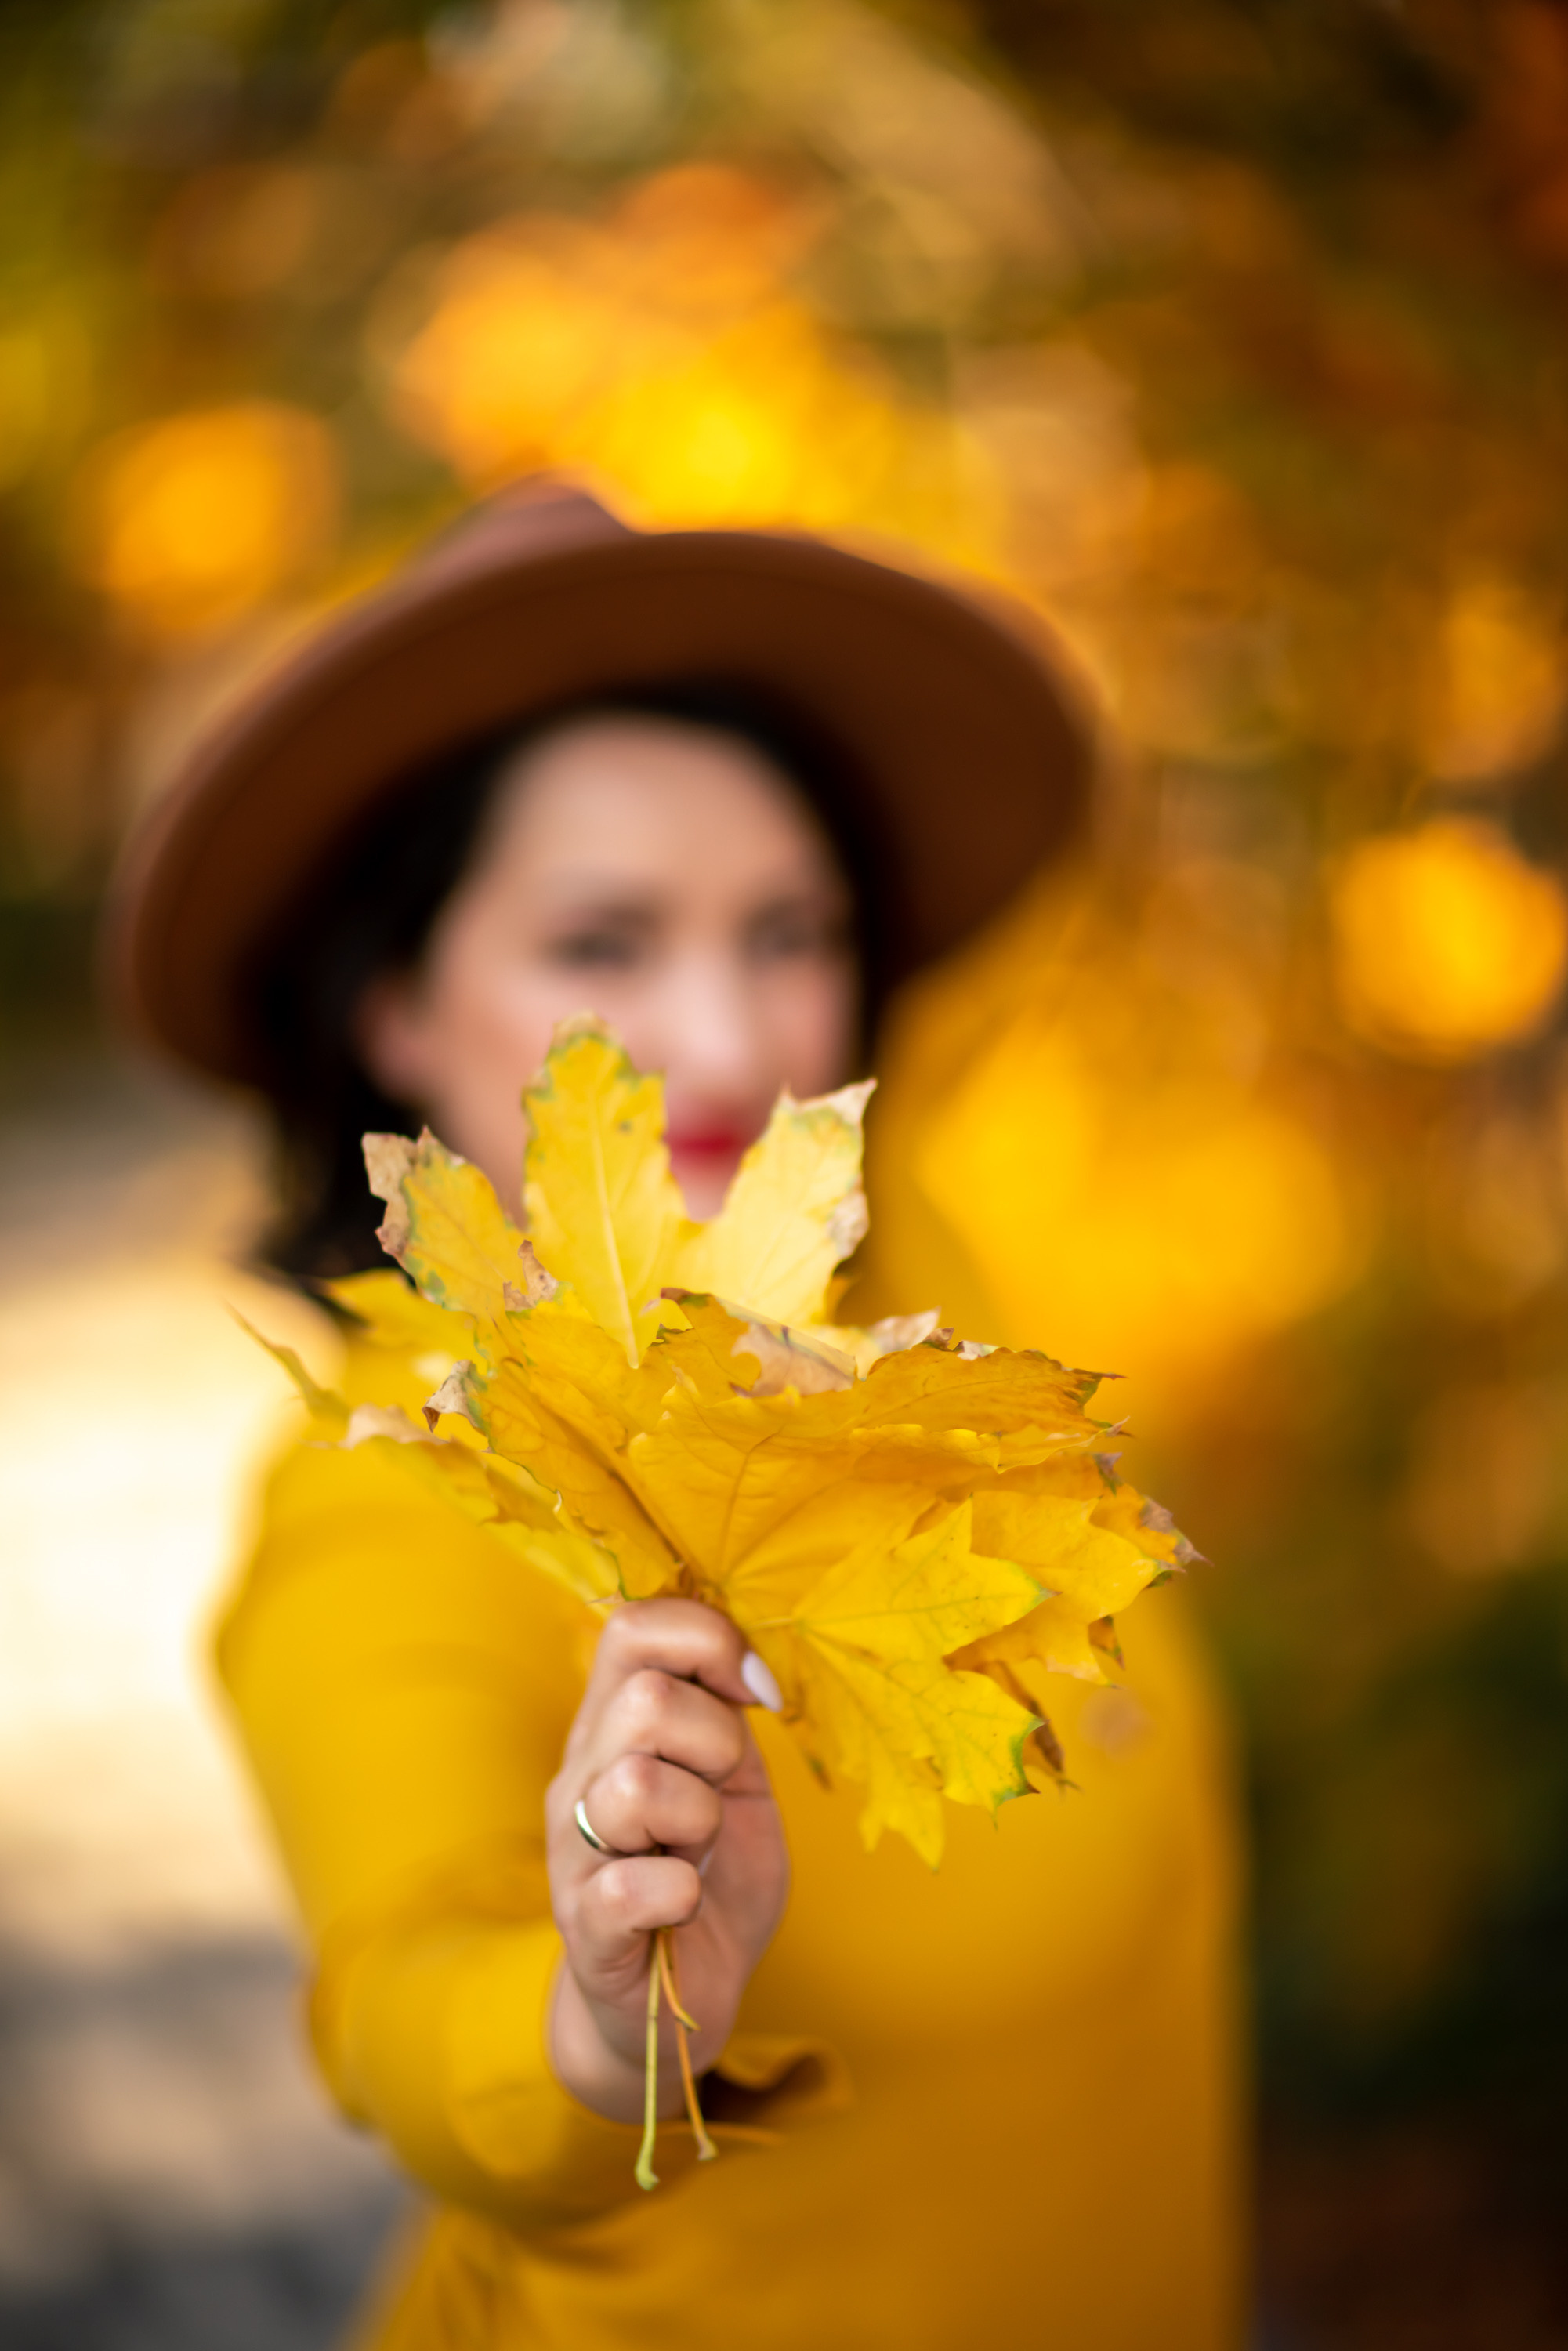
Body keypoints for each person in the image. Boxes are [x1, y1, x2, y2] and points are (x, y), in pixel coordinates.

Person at [110, 481, 1244, 2349]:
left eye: (787, 931)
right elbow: (401, 1999)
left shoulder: (916, 1299)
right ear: (395, 1002)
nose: (726, 1043)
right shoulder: (396, 1495)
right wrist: (587, 2020)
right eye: (604, 945)